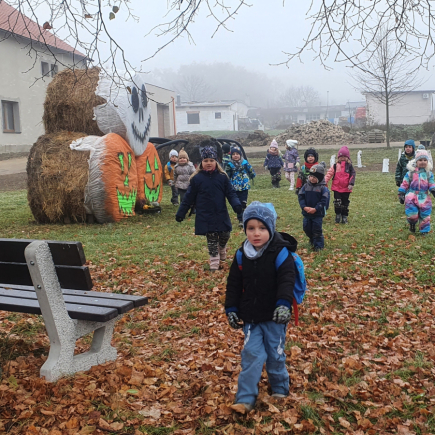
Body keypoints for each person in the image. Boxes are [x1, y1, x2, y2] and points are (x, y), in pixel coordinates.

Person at [225, 201, 296, 412]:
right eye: (251, 228)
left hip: (275, 316)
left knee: (275, 354)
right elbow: (233, 284)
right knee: (251, 355)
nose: (256, 233)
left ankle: (280, 388)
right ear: (245, 229)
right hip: (251, 317)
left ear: (271, 228)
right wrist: (231, 308)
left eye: (262, 228)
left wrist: (284, 304)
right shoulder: (241, 254)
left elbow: (287, 279)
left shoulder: (280, 253)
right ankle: (245, 399)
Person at [175, 142, 242, 271]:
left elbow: (231, 193)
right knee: (211, 239)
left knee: (225, 234)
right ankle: (214, 263)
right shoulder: (197, 179)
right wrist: (181, 213)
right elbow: (188, 198)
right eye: (206, 160)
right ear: (201, 163)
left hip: (220, 212)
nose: (209, 163)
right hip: (205, 214)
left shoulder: (222, 178)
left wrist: (237, 205)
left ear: (216, 161)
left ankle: (222, 247)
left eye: (212, 160)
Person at [398, 149, 435, 235]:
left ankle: (424, 231)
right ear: (416, 161)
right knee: (412, 214)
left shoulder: (429, 174)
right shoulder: (410, 173)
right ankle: (412, 223)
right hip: (412, 196)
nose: (423, 162)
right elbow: (405, 183)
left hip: (424, 197)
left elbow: (431, 183)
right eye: (420, 160)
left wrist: (433, 190)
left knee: (425, 215)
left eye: (425, 160)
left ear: (427, 161)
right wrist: (401, 193)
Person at [298, 164, 329, 251]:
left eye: (314, 177)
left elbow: (324, 201)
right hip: (306, 212)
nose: (312, 179)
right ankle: (312, 239)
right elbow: (301, 197)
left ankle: (318, 246)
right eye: (311, 176)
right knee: (307, 228)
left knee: (317, 230)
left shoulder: (323, 188)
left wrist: (316, 208)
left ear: (320, 178)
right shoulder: (305, 186)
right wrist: (304, 207)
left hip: (317, 213)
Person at [324, 146, 356, 224]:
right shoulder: (335, 166)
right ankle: (338, 215)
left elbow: (353, 175)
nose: (343, 158)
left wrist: (351, 183)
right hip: (337, 188)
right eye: (341, 156)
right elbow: (329, 174)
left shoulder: (350, 167)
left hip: (346, 189)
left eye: (345, 156)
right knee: (337, 202)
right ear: (338, 157)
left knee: (345, 203)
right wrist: (324, 182)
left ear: (348, 157)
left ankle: (344, 216)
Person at [226, 147, 256, 227]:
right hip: (234, 186)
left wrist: (252, 175)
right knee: (237, 204)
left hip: (244, 185)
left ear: (240, 155)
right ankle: (240, 219)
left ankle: (244, 217)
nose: (235, 156)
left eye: (237, 154)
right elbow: (227, 174)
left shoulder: (245, 162)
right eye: (233, 154)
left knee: (243, 203)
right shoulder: (229, 164)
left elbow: (250, 170)